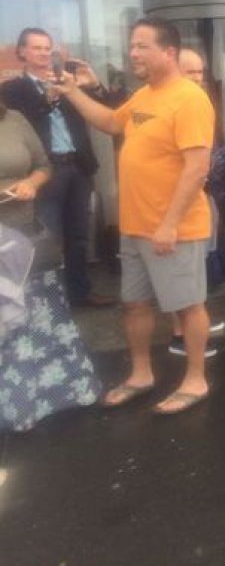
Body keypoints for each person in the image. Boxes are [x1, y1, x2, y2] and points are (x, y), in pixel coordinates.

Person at [57, 18, 215, 415]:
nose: (133, 53)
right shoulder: (145, 95)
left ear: (169, 52)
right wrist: (73, 92)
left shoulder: (189, 98)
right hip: (136, 225)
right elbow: (111, 122)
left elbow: (197, 168)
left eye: (142, 46)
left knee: (187, 305)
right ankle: (141, 374)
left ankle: (196, 379)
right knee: (135, 305)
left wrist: (170, 223)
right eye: (132, 46)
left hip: (173, 229)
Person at [0, 97, 101, 432]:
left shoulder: (14, 117)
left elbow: (44, 164)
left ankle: (51, 398)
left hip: (26, 236)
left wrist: (32, 182)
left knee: (39, 319)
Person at [0, 28, 116, 308]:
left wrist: (94, 85)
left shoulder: (68, 83)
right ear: (22, 53)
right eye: (37, 48)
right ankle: (45, 300)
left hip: (77, 166)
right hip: (45, 171)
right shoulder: (12, 90)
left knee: (78, 235)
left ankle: (79, 292)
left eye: (47, 48)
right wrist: (47, 98)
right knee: (46, 237)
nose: (43, 53)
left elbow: (110, 112)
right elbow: (22, 123)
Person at [167, 48, 225, 356]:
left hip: (201, 195)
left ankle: (194, 320)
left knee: (198, 261)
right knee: (180, 270)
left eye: (200, 72)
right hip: (178, 201)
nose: (198, 78)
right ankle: (181, 336)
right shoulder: (172, 103)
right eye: (191, 72)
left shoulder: (197, 102)